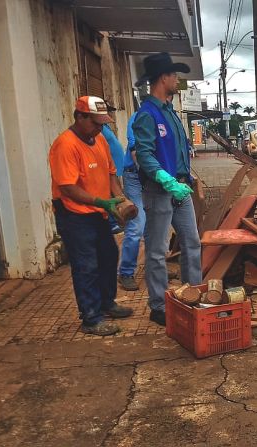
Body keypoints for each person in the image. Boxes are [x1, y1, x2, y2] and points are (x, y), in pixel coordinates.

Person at [49, 96, 134, 336]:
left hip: (98, 213)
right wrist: (101, 202)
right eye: (96, 123)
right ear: (80, 116)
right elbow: (68, 187)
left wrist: (119, 201)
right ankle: (91, 318)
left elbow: (110, 174)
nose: (100, 128)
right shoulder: (65, 145)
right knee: (86, 266)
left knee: (109, 256)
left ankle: (106, 303)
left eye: (102, 124)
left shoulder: (99, 141)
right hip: (74, 215)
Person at [133, 53, 201, 326]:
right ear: (163, 78)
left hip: (180, 190)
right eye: (175, 76)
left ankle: (192, 294)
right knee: (157, 251)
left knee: (192, 243)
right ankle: (158, 306)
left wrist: (185, 178)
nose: (177, 80)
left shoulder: (170, 111)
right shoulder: (146, 115)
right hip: (160, 190)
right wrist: (166, 179)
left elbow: (179, 150)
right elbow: (145, 155)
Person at [117, 110, 144, 291]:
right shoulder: (137, 118)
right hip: (136, 176)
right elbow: (135, 149)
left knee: (157, 225)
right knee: (137, 226)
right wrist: (147, 172)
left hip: (155, 178)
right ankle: (126, 273)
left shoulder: (166, 116)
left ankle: (156, 268)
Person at [101, 121, 126, 233]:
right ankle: (112, 222)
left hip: (115, 166)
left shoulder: (105, 126)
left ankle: (116, 220)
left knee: (115, 192)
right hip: (108, 167)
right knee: (109, 194)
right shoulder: (98, 128)